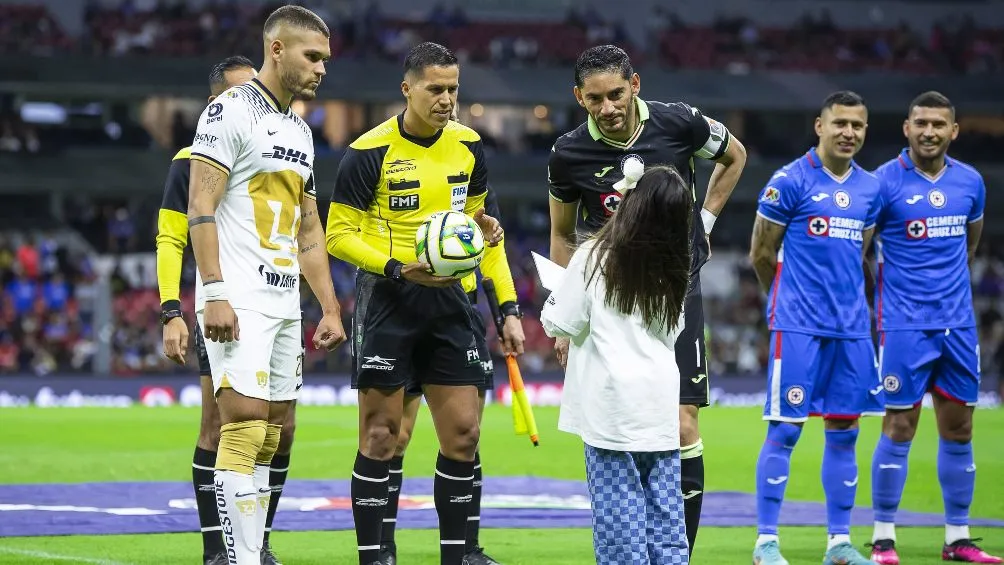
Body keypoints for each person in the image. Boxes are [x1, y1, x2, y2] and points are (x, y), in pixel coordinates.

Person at [547, 44, 747, 556]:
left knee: (681, 423)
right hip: (613, 299)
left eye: (616, 94)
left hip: (679, 288)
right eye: (595, 99)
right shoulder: (568, 154)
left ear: (634, 85)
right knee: (615, 429)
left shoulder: (678, 122)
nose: (608, 107)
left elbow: (734, 156)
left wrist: (703, 223)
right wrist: (565, 327)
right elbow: (563, 236)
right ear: (579, 97)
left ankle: (681, 550)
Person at [325, 42, 504, 565]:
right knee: (382, 435)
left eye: (453, 89)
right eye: (435, 89)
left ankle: (460, 555)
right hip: (390, 299)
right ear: (407, 89)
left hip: (452, 302)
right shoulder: (368, 150)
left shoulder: (469, 144)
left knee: (465, 434)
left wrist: (485, 231)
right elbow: (338, 235)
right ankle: (375, 556)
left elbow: (475, 223)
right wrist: (399, 267)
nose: (447, 98)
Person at [187, 7, 347, 565]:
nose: (322, 68)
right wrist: (215, 291)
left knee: (277, 431)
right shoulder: (227, 111)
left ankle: (251, 552)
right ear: (276, 50)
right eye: (313, 56)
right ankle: (243, 560)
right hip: (240, 294)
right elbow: (200, 205)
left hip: (285, 298)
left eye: (325, 58)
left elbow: (308, 227)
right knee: (245, 422)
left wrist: (328, 305)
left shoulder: (301, 131)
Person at [157, 55, 300, 565]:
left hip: (273, 299)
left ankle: (255, 543)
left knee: (279, 429)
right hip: (222, 304)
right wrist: (171, 309)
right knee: (219, 427)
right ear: (217, 101)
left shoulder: (282, 142)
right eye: (240, 92)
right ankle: (217, 550)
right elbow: (173, 235)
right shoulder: (192, 157)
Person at [748, 91, 883, 565]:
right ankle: (765, 543)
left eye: (858, 126)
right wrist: (785, 302)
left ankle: (839, 545)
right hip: (799, 326)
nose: (849, 132)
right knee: (785, 431)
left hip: (852, 330)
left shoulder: (871, 190)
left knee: (844, 431)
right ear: (819, 126)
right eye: (840, 123)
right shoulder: (789, 181)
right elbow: (761, 253)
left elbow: (860, 255)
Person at [867, 92, 999, 564]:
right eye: (920, 122)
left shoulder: (971, 182)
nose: (929, 131)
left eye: (938, 124)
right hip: (904, 325)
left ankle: (957, 538)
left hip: (959, 325)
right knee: (899, 424)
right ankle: (883, 538)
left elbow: (970, 244)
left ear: (954, 131)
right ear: (906, 128)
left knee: (960, 427)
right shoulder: (881, 182)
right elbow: (864, 252)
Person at [541, 165, 693, 564]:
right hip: (659, 403)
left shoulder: (595, 255)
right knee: (666, 515)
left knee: (618, 519)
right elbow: (671, 333)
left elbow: (558, 320)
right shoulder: (675, 264)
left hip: (610, 406)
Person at [381, 177, 525, 565]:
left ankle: (466, 550)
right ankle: (382, 549)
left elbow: (492, 251)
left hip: (459, 310)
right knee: (395, 437)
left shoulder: (473, 174)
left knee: (466, 435)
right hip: (401, 306)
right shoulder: (396, 163)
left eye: (456, 109)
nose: (449, 112)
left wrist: (508, 311)